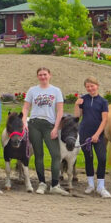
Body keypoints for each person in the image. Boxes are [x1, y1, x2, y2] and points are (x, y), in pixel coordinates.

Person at [21, 67, 69, 195]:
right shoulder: (32, 90)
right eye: (40, 75)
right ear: (38, 77)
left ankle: (54, 184)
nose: (43, 77)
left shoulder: (56, 91)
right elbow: (26, 108)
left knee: (56, 155)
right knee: (38, 154)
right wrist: (24, 121)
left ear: (50, 75)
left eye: (45, 74)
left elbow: (60, 111)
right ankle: (42, 183)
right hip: (34, 124)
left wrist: (55, 127)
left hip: (49, 125)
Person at [74, 77, 111, 198]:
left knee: (102, 158)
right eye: (88, 87)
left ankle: (101, 186)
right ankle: (90, 185)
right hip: (85, 132)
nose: (90, 88)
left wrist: (96, 135)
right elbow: (77, 116)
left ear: (97, 85)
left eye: (92, 86)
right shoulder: (83, 99)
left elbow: (104, 119)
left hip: (98, 134)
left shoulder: (103, 102)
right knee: (88, 158)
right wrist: (76, 104)